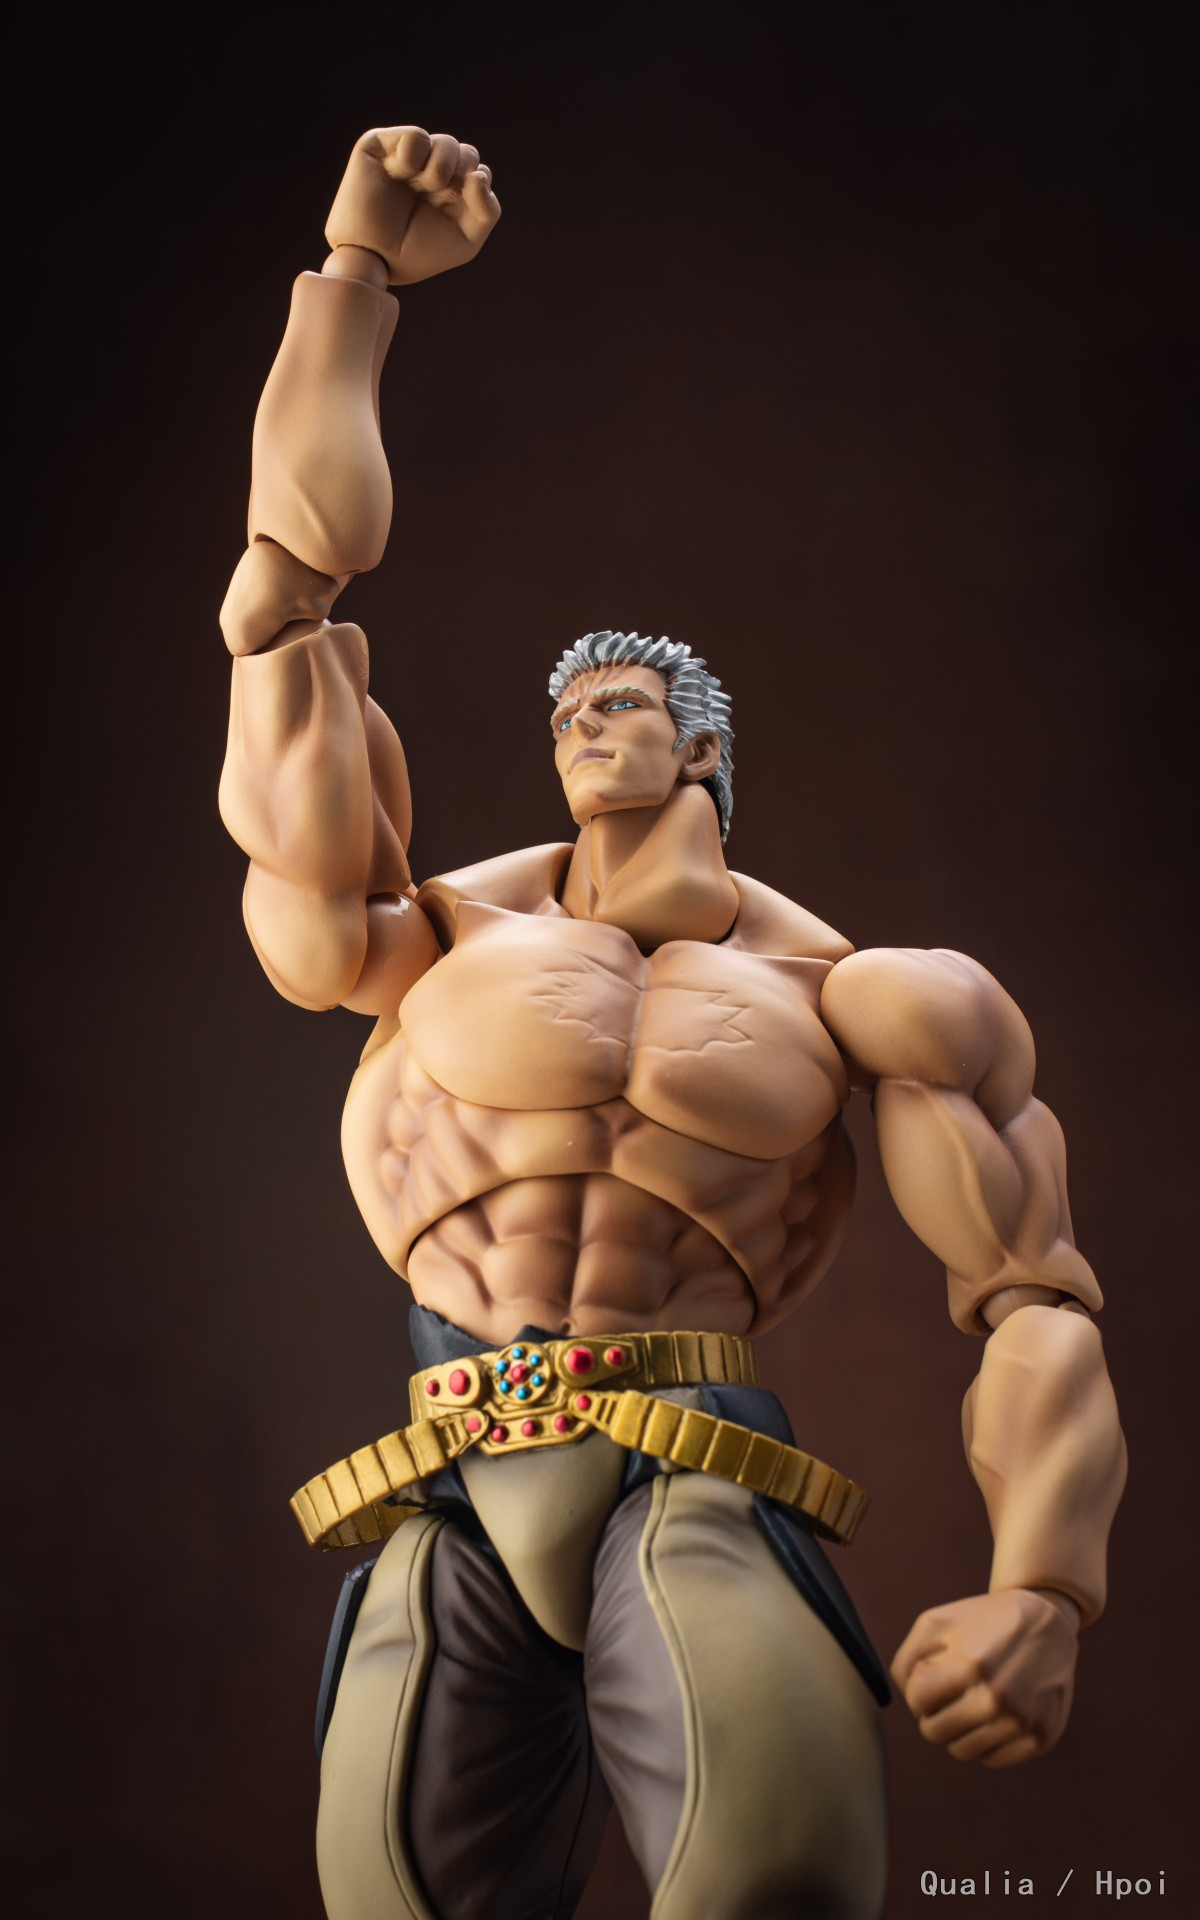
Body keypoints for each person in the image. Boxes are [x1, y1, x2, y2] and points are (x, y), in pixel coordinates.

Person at [218, 126, 1126, 1920]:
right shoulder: (437, 933)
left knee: (780, 1870)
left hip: (695, 1468)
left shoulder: (860, 994)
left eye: (621, 706)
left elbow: (1032, 1292)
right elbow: (278, 614)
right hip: (453, 1473)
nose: (583, 727)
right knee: (390, 1893)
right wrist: (355, 281)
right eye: (566, 713)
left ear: (703, 745)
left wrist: (1045, 1587)